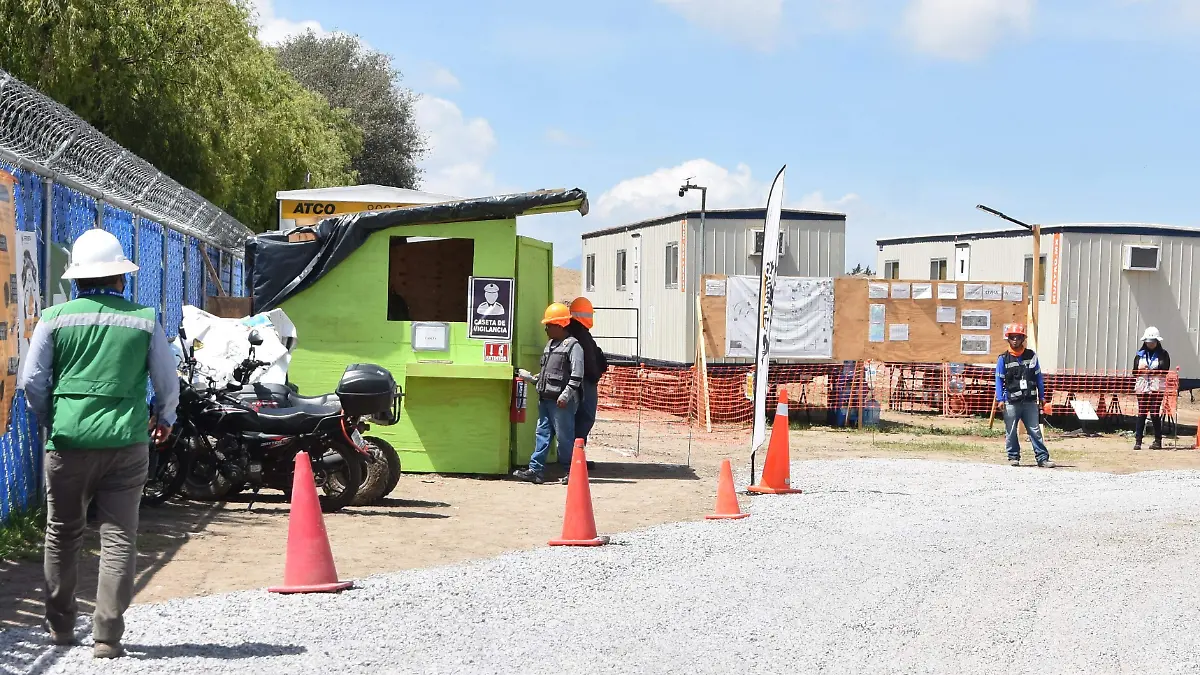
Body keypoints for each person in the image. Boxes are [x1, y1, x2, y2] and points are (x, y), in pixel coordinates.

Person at [18, 229, 179, 659]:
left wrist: (51, 419)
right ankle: (107, 636)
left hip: (67, 443)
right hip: (127, 443)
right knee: (119, 537)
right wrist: (165, 419)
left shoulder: (54, 319)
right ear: (120, 279)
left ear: (77, 280)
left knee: (62, 533)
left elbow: (32, 381)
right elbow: (167, 381)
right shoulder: (144, 320)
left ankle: (60, 627)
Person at [512, 302, 584, 485]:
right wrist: (530, 378)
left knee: (565, 438)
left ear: (560, 325)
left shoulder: (573, 347)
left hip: (561, 403)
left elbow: (577, 374)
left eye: (549, 325)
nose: (546, 329)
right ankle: (536, 471)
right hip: (545, 399)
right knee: (541, 434)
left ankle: (572, 472)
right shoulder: (550, 345)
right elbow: (546, 374)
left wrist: (565, 395)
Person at [994, 323, 1054, 468]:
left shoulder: (1031, 356)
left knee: (1034, 430)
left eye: (1018, 337)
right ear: (1008, 339)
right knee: (1011, 430)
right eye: (1012, 337)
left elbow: (1038, 377)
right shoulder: (1003, 358)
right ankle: (1013, 457)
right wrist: (1000, 399)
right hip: (1011, 401)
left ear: (1023, 339)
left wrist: (1042, 397)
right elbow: (998, 379)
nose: (1015, 340)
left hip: (1029, 401)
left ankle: (1042, 458)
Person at [567, 296, 607, 446]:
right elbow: (589, 361)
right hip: (585, 382)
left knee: (573, 418)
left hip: (575, 380)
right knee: (586, 417)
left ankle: (572, 454)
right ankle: (577, 455)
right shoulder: (581, 335)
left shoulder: (570, 331)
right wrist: (596, 375)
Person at [1132, 326, 1171, 450]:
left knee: (1154, 413)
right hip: (1142, 387)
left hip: (1156, 387)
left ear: (1157, 342)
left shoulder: (1163, 354)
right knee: (1142, 413)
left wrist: (1152, 371)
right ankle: (1138, 441)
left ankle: (1157, 441)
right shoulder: (1140, 354)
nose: (1150, 344)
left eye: (1153, 342)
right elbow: (1134, 371)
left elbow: (1165, 370)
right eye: (1148, 342)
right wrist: (1140, 370)